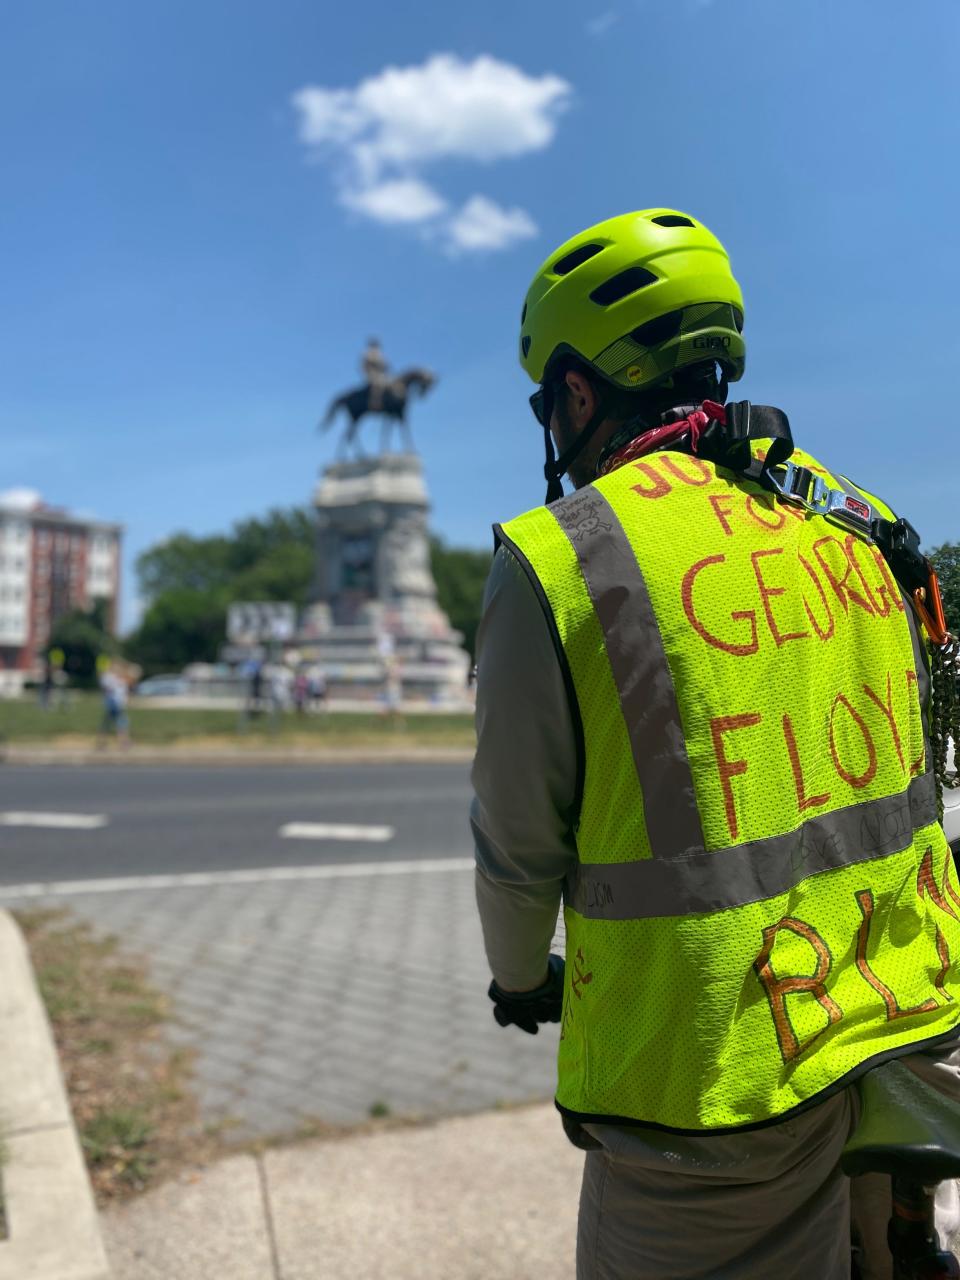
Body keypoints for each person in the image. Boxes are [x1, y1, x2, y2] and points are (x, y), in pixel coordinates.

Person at [471, 208, 960, 1279]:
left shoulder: (563, 557)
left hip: (723, 1078)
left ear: (579, 391)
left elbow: (516, 841)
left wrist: (519, 979)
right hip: (907, 1018)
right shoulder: (857, 520)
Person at [362, 337, 390, 413]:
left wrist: (385, 366)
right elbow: (366, 365)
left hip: (381, 374)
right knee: (378, 384)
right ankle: (375, 403)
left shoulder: (379, 354)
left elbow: (384, 364)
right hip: (371, 374)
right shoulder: (368, 353)